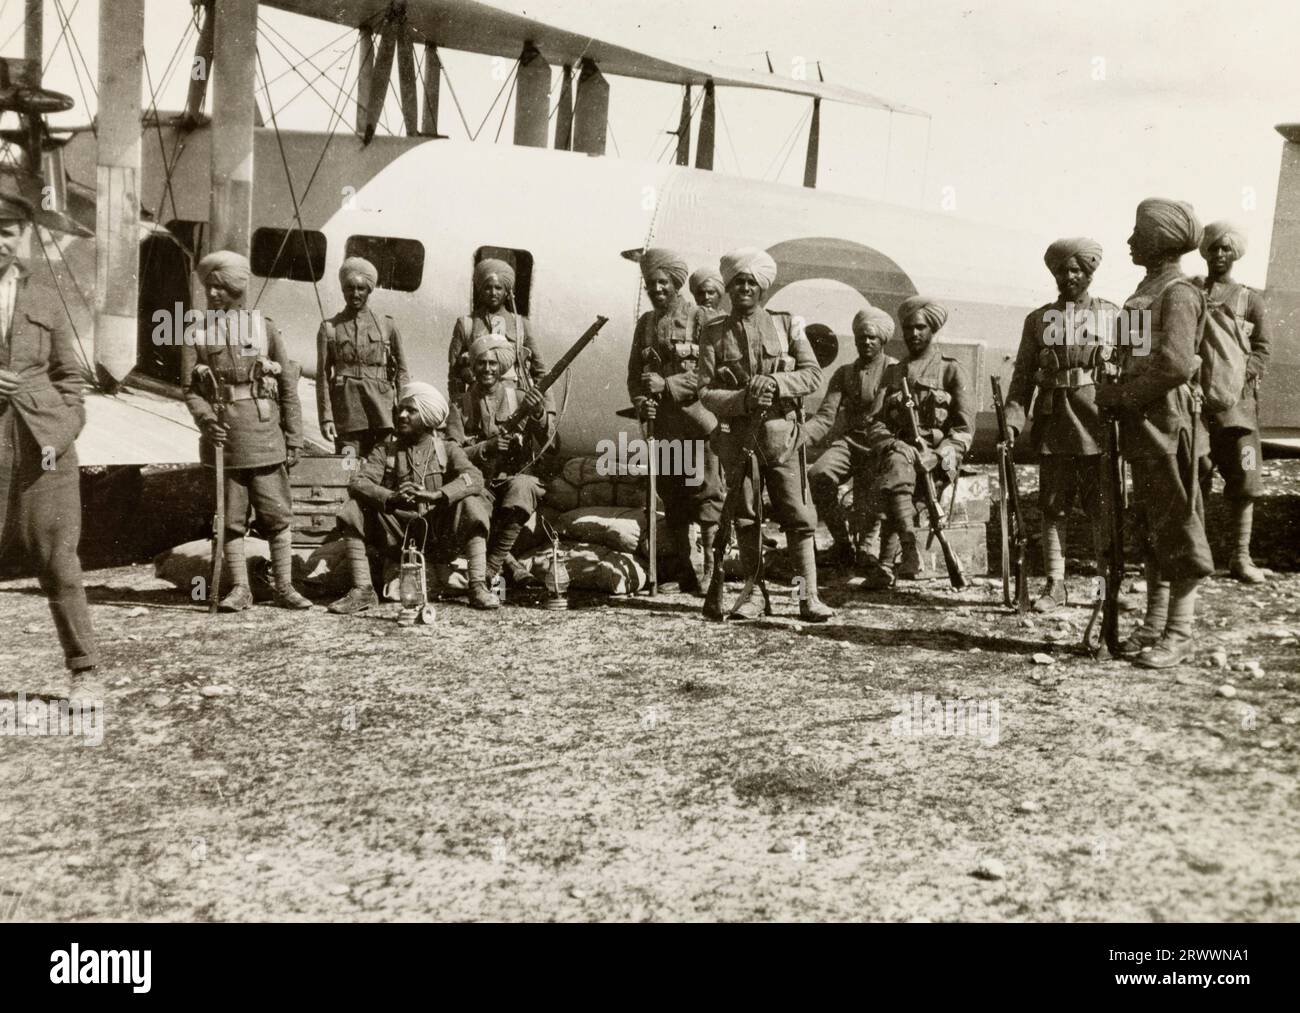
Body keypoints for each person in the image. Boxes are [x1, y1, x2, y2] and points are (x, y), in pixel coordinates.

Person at [1096, 198, 1213, 668]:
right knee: (1150, 525)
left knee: (1179, 523)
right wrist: (1113, 380)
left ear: (1162, 241)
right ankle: (1153, 623)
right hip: (1144, 425)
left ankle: (1179, 632)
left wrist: (1123, 396)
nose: (1129, 241)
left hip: (1169, 423)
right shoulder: (1148, 290)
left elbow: (1176, 364)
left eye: (1137, 234)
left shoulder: (1179, 293)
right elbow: (1139, 355)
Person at [696, 247, 834, 622]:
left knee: (798, 518)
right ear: (728, 287)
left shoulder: (788, 325)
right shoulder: (713, 332)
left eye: (751, 282)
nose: (744, 287)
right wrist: (743, 398)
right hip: (738, 440)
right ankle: (754, 596)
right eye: (737, 281)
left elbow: (812, 375)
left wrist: (774, 381)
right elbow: (705, 391)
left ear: (762, 289)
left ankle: (808, 598)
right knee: (746, 517)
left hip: (782, 439)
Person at [0, 193, 97, 681]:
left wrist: (64, 429)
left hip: (45, 443)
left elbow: (70, 378)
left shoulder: (43, 292)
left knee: (58, 556)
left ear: (21, 235)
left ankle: (83, 668)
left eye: (7, 230)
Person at [180, 250, 310, 612]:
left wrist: (295, 437)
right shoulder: (196, 333)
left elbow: (287, 387)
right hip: (224, 442)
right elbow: (190, 389)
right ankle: (240, 588)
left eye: (220, 287)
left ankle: (284, 586)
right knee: (231, 518)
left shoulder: (264, 327)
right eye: (209, 287)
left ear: (237, 288)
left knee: (276, 514)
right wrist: (206, 422)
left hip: (265, 435)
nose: (213, 294)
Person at [1003, 238, 1120, 611]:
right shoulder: (1037, 321)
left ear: (1089, 273)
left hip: (1098, 424)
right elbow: (1021, 378)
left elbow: (1141, 371)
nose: (1068, 276)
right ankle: (1056, 586)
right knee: (1053, 507)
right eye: (1061, 271)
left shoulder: (1115, 315)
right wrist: (1012, 422)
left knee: (1103, 510)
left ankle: (1106, 591)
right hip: (1054, 425)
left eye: (1076, 270)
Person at [330, 381, 499, 613]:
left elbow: (474, 477)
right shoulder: (385, 450)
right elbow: (358, 482)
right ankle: (363, 591)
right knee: (353, 508)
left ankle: (478, 586)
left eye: (411, 410)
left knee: (472, 504)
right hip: (399, 536)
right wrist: (391, 497)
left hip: (439, 536)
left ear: (428, 417)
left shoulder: (447, 449)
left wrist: (438, 495)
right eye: (400, 409)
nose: (402, 415)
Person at [626, 248, 724, 593]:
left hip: (699, 422)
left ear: (676, 283)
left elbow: (711, 371)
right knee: (673, 495)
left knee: (707, 494)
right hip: (665, 427)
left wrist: (667, 384)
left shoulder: (701, 319)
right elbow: (634, 376)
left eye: (663, 282)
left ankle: (712, 573)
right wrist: (642, 403)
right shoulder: (646, 324)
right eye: (651, 284)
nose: (657, 289)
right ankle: (685, 571)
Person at [865, 296, 975, 585]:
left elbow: (964, 430)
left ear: (932, 330)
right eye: (909, 328)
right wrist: (893, 443)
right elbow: (875, 422)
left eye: (921, 327)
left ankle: (887, 564)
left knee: (895, 483)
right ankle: (909, 551)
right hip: (900, 453)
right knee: (897, 465)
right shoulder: (893, 373)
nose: (914, 334)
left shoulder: (951, 370)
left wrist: (938, 455)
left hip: (938, 459)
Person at [1194, 221, 1270, 583]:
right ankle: (1200, 559)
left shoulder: (1249, 299)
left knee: (1246, 477)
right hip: (1197, 407)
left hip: (1239, 412)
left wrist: (1240, 375)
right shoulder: (1191, 292)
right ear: (1204, 251)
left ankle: (1241, 557)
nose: (1219, 255)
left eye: (1226, 249)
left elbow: (1263, 349)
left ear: (1234, 253)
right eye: (1213, 248)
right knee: (1197, 477)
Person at [446, 334, 553, 589]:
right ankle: (509, 566)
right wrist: (486, 447)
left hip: (511, 480)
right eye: (481, 363)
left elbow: (552, 443)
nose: (487, 369)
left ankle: (491, 568)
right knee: (472, 505)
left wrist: (538, 412)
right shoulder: (460, 405)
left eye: (493, 363)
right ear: (472, 366)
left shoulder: (519, 398)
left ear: (501, 367)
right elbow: (451, 451)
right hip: (477, 482)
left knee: (524, 487)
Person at [805, 306, 898, 586]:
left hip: (881, 444)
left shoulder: (894, 371)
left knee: (870, 495)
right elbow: (825, 417)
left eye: (871, 337)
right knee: (818, 474)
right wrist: (801, 436)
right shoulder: (844, 373)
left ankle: (867, 549)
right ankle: (842, 543)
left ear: (882, 340)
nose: (866, 342)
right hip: (850, 442)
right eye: (861, 338)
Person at [316, 256, 409, 460]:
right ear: (343, 290)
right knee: (347, 468)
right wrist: (326, 418)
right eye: (350, 288)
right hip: (347, 414)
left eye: (361, 288)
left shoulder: (387, 325)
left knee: (381, 467)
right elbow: (322, 376)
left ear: (369, 290)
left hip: (382, 413)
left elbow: (402, 371)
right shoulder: (329, 328)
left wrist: (404, 411)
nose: (355, 294)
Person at [447, 258, 548, 401]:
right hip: (477, 403)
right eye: (488, 288)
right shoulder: (466, 324)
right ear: (481, 291)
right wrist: (458, 405)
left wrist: (549, 412)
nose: (493, 292)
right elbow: (454, 374)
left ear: (507, 292)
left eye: (498, 288)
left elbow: (540, 371)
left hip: (513, 400)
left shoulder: (521, 324)